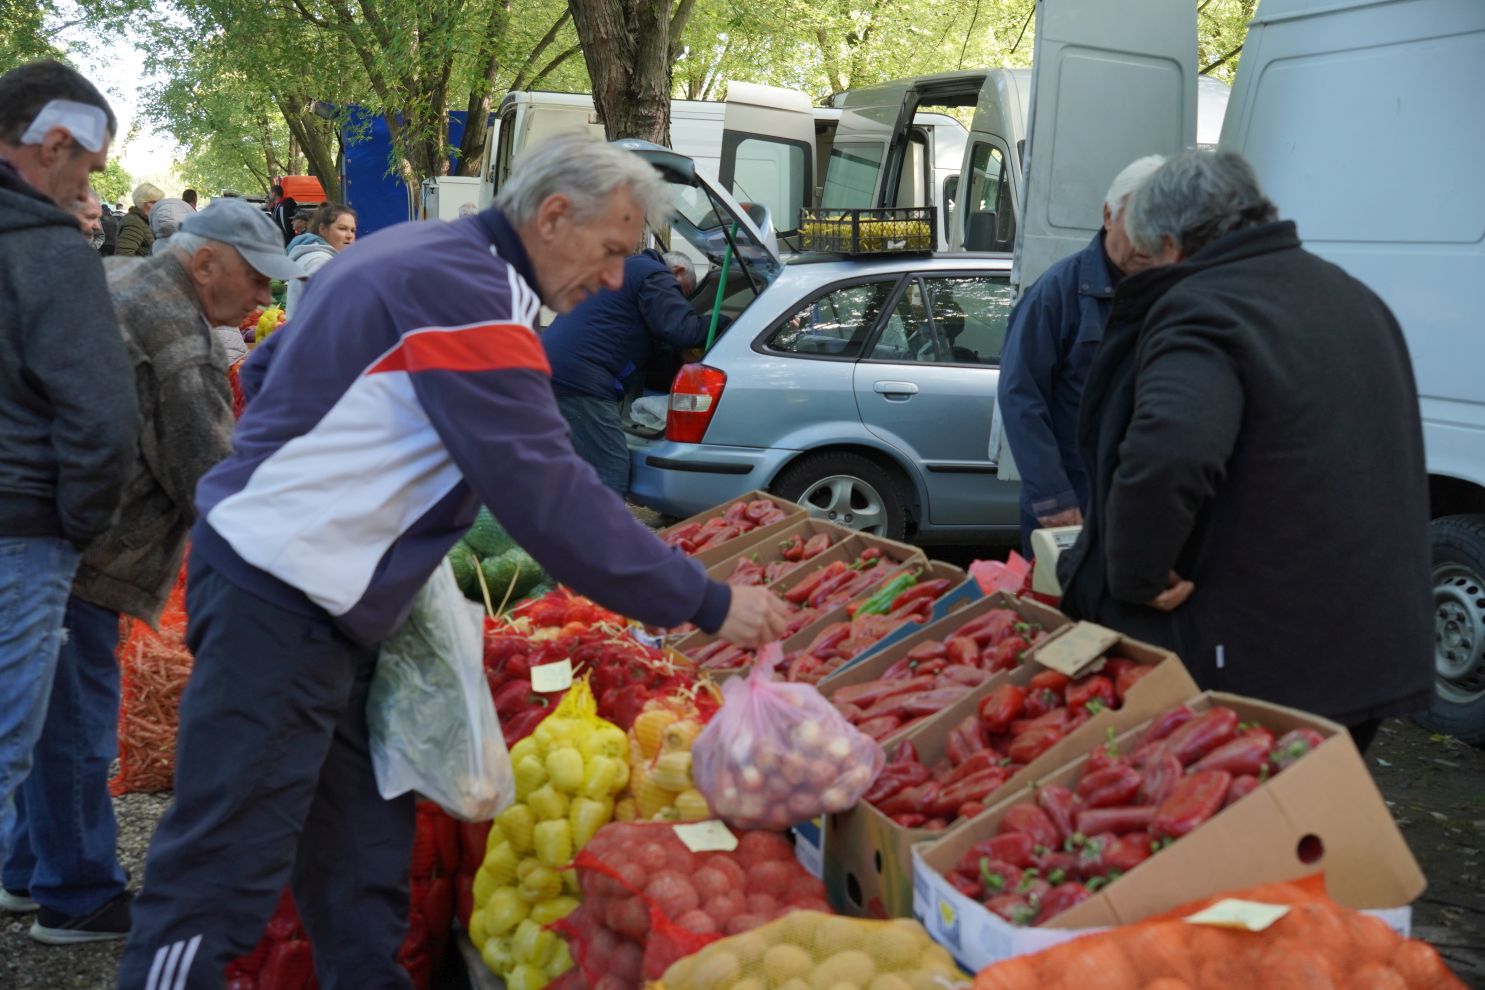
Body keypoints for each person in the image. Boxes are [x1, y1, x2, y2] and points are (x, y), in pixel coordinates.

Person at [115, 132, 789, 989]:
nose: (617, 278)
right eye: (613, 251)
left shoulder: (419, 252)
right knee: (222, 861)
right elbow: (544, 490)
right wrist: (703, 599)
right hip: (280, 597)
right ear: (553, 216)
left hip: (327, 599)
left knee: (360, 845)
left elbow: (276, 366)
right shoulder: (468, 294)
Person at [1056, 149, 1433, 751]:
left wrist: (1136, 573)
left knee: (1243, 829)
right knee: (1312, 823)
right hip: (1371, 644)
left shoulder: (1205, 309)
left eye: (1151, 259)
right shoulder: (1354, 296)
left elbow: (1170, 453)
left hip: (1267, 655)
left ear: (1174, 245)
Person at [3, 199, 295, 944]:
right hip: (78, 553)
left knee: (45, 718)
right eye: (258, 282)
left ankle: (27, 867)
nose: (264, 300)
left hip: (45, 532)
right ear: (207, 263)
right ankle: (78, 897)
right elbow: (211, 480)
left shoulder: (127, 274)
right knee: (77, 728)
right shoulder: (177, 333)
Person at [0, 60, 138, 912]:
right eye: (86, 169)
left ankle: (27, 869)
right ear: (54, 142)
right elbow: (101, 420)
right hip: (23, 530)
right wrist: (79, 523)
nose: (87, 189)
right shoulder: (50, 255)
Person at [997, 155, 1166, 554]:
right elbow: (1020, 397)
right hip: (1070, 502)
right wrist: (1052, 497)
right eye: (1140, 222)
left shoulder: (1175, 295)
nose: (1150, 240)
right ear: (1109, 214)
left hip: (1141, 508)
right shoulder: (1057, 293)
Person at [541, 248, 712, 493]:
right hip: (580, 380)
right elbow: (681, 329)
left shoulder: (621, 272)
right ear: (677, 272)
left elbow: (655, 350)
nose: (678, 303)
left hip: (551, 370)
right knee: (611, 467)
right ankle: (603, 531)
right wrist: (729, 324)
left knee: (576, 465)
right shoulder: (654, 274)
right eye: (680, 295)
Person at [284, 202, 355, 313]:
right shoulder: (320, 262)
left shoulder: (315, 256)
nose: (350, 235)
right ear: (322, 229)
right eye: (342, 229)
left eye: (352, 230)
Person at [114, 181, 162, 256]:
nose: (158, 206)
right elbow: (123, 257)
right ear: (142, 202)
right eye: (154, 202)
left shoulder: (144, 220)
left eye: (160, 202)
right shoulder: (134, 222)